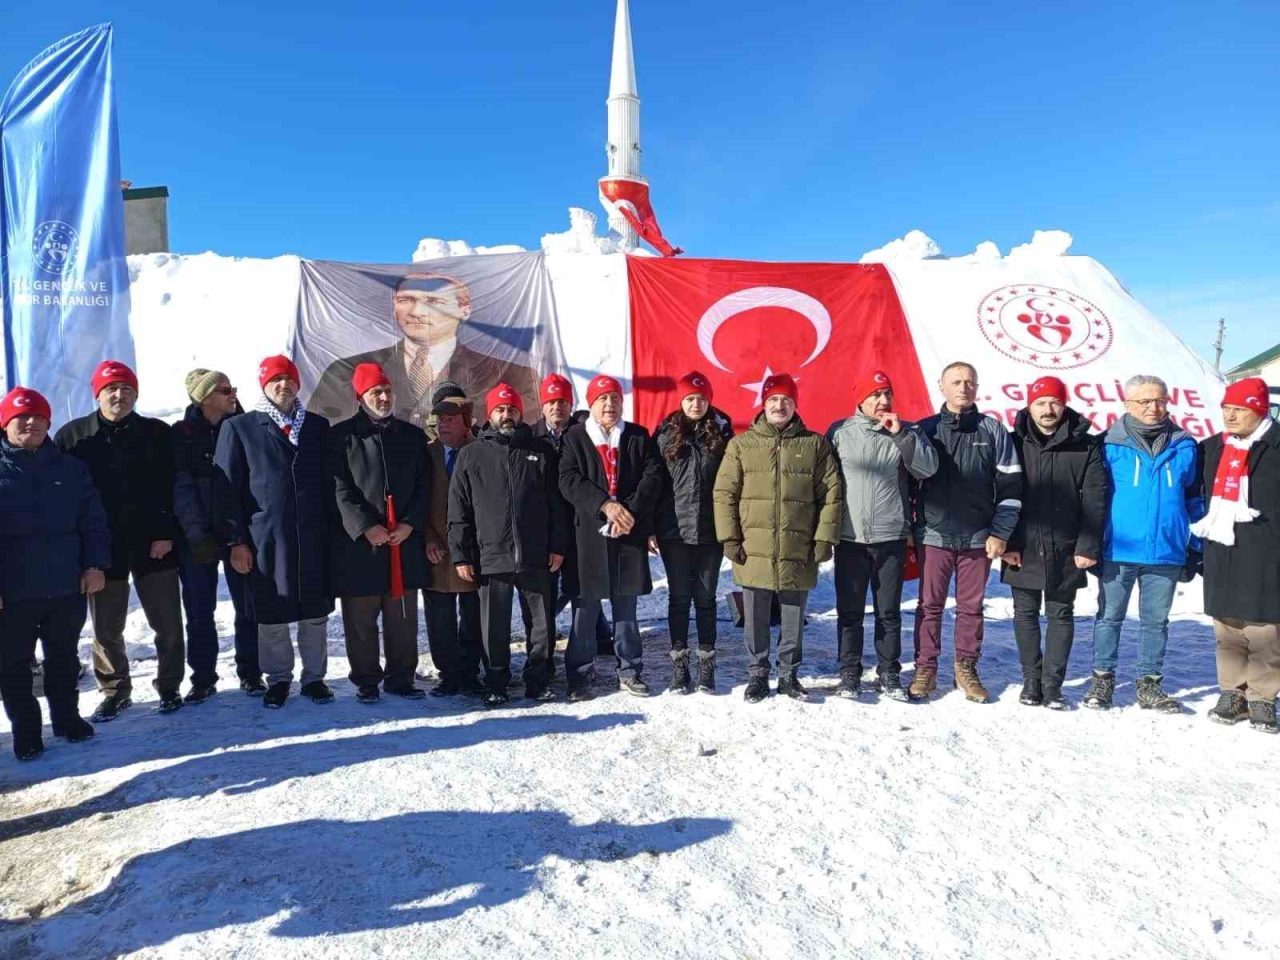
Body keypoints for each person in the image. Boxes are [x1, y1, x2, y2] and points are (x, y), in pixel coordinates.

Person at [56, 361, 186, 721]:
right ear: (97, 393)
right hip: (101, 549)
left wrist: (165, 532)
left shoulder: (158, 433)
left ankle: (170, 685)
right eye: (111, 389)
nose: (119, 395)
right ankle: (115, 690)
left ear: (136, 393)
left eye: (126, 389)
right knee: (106, 627)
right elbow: (66, 497)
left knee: (168, 622)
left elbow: (173, 486)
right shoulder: (73, 437)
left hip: (153, 544)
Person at [713, 373, 842, 703]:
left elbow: (831, 495)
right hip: (753, 547)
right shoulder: (741, 445)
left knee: (792, 614)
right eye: (773, 399)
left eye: (786, 400)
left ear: (796, 404)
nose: (779, 405)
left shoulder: (815, 445)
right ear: (763, 403)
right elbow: (724, 493)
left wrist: (823, 538)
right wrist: (729, 537)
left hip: (798, 546)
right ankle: (758, 673)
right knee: (755, 614)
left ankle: (788, 674)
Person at [216, 355, 334, 709]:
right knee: (273, 614)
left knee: (315, 612)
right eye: (276, 380)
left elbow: (331, 482)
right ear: (264, 386)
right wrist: (236, 540)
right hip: (266, 539)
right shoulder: (240, 427)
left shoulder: (316, 426)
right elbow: (226, 491)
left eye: (290, 379)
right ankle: (279, 679)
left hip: (312, 536)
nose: (284, 385)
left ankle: (314, 679)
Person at [0, 387, 110, 761]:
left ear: (49, 422)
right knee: (13, 664)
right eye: (21, 417)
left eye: (38, 416)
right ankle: (27, 732)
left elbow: (93, 520)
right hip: (12, 592)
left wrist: (95, 565)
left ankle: (67, 719)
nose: (30, 422)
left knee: (62, 657)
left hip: (65, 584)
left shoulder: (70, 468)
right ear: (6, 422)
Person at [1085, 374, 1203, 712]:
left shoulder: (1185, 445)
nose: (1154, 407)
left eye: (1160, 400)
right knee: (1109, 617)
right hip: (1118, 548)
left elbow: (1194, 497)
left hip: (1165, 550)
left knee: (1156, 622)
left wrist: (1194, 542)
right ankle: (1102, 680)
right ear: (1127, 405)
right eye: (1145, 401)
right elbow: (1094, 498)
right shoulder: (1107, 444)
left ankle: (1149, 684)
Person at [448, 383, 568, 705]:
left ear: (520, 412)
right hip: (491, 556)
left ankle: (538, 680)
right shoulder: (470, 455)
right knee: (493, 628)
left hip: (536, 556)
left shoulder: (541, 452)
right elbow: (459, 509)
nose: (506, 415)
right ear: (490, 414)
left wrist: (557, 545)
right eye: (500, 409)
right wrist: (461, 554)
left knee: (542, 625)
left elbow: (557, 504)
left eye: (512, 409)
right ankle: (497, 683)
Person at [909, 361, 1022, 704]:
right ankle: (925, 668)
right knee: (929, 606)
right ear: (941, 387)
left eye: (970, 382)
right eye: (956, 382)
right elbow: (909, 488)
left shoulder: (993, 430)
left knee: (971, 608)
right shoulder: (923, 430)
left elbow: (1011, 486)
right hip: (934, 535)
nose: (963, 388)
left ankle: (966, 668)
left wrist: (1001, 533)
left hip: (978, 537)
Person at [826, 370, 937, 701]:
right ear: (860, 399)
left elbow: (928, 469)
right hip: (850, 537)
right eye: (875, 394)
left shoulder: (908, 431)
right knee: (850, 610)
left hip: (891, 535)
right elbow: (826, 482)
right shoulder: (839, 432)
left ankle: (889, 672)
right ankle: (849, 672)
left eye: (887, 394)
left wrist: (902, 435)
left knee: (888, 610)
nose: (883, 401)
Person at [308, 272, 541, 427]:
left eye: (434, 302)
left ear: (464, 310)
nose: (417, 311)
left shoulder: (513, 375)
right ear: (393, 309)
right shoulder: (344, 372)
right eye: (406, 300)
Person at [999, 376, 1107, 709]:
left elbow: (1095, 499)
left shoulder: (1085, 446)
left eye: (1055, 402)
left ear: (1065, 405)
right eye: (1041, 403)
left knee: (1061, 614)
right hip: (1023, 545)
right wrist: (1009, 541)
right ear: (1029, 406)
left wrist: (1088, 546)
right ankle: (1031, 681)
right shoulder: (1013, 443)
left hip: (1067, 545)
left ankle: (1053, 684)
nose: (1048, 409)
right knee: (1025, 612)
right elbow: (1003, 493)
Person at [327, 363, 431, 703]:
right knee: (361, 617)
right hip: (361, 545)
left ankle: (401, 676)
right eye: (376, 392)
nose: (384, 397)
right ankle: (366, 679)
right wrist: (364, 526)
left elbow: (423, 487)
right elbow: (338, 488)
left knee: (401, 615)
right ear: (360, 396)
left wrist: (410, 524)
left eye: (387, 391)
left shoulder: (412, 436)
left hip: (403, 540)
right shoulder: (341, 437)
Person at [558, 374, 665, 700]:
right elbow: (568, 478)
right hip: (588, 535)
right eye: (603, 399)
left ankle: (630, 670)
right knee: (585, 608)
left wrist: (628, 512)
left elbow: (653, 476)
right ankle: (579, 673)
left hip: (627, 532)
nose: (610, 404)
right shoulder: (575, 436)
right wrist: (604, 505)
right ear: (591, 403)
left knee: (626, 609)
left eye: (615, 398)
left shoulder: (637, 435)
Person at [1194, 378, 1279, 733]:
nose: (1230, 415)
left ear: (1259, 410)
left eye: (1239, 409)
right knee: (1226, 624)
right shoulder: (1212, 447)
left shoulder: (1275, 445)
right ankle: (1232, 692)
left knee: (1264, 628)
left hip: (1268, 549)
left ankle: (1262, 697)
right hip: (1222, 546)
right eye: (1226, 408)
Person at [172, 368, 262, 701]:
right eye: (225, 389)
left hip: (238, 532)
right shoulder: (181, 434)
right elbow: (181, 489)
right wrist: (197, 536)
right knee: (199, 610)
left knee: (248, 605)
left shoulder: (247, 427)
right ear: (204, 397)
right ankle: (203, 678)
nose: (232, 393)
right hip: (196, 538)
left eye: (232, 387)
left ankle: (252, 672)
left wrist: (241, 535)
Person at [653, 371, 733, 694]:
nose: (696, 404)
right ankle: (679, 666)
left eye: (701, 398)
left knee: (706, 599)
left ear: (709, 399)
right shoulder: (665, 434)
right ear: (681, 401)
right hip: (674, 533)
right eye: (689, 398)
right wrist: (651, 528)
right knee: (679, 598)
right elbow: (655, 485)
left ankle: (706, 666)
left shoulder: (723, 433)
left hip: (711, 532)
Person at [524, 373, 612, 659]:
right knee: (545, 596)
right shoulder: (530, 438)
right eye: (551, 402)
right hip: (544, 528)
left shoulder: (585, 432)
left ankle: (597, 638)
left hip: (580, 522)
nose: (556, 408)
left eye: (562, 401)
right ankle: (542, 651)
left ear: (570, 403)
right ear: (542, 404)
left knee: (583, 587)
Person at [420, 384, 486, 695]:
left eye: (451, 418)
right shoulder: (426, 454)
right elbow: (414, 501)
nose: (443, 424)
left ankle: (471, 670)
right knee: (439, 615)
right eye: (439, 419)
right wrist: (427, 537)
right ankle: (448, 672)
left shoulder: (483, 452)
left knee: (473, 613)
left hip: (474, 550)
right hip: (436, 548)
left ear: (466, 420)